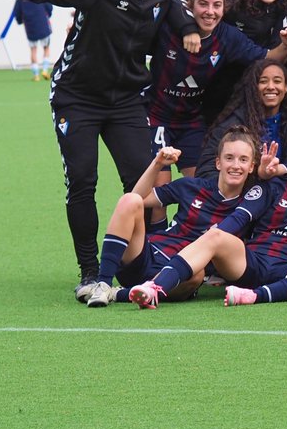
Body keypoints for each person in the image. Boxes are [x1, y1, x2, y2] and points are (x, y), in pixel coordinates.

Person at [0, 0, 199, 298]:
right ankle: (90, 271)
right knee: (82, 180)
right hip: (76, 98)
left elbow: (181, 7)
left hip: (126, 102)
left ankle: (137, 264)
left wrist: (189, 27)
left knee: (140, 182)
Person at [134, 125, 287, 308]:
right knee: (216, 235)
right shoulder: (271, 187)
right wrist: (212, 248)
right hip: (252, 263)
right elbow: (239, 218)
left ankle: (254, 296)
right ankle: (155, 287)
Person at [145, 0, 287, 208]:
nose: (210, 12)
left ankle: (192, 228)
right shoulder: (170, 24)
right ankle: (158, 232)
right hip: (156, 116)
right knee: (159, 192)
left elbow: (267, 58)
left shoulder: (227, 36)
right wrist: (187, 29)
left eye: (217, 5)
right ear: (189, 5)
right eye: (203, 4)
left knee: (206, 185)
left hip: (190, 121)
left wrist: (286, 45)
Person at [85, 128, 266, 307]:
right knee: (129, 200)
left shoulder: (251, 204)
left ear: (251, 167)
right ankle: (103, 284)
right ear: (218, 163)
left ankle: (120, 294)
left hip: (182, 275)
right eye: (229, 158)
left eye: (243, 159)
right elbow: (138, 198)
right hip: (145, 256)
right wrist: (157, 164)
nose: (235, 165)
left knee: (197, 275)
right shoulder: (192, 186)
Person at [200, 0, 287, 124]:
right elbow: (193, 2)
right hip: (219, 90)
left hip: (258, 90)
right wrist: (189, 30)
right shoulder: (231, 3)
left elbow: (269, 58)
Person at [197, 59, 287, 179]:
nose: (271, 87)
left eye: (277, 81)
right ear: (253, 87)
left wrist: (280, 169)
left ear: (286, 87)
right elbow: (205, 171)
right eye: (263, 81)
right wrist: (254, 174)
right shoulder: (233, 124)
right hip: (244, 188)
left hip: (285, 187)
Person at [12, 0, 54, 81]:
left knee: (33, 50)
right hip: (43, 24)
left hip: (30, 26)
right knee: (46, 47)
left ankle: (36, 75)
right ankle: (45, 70)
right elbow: (49, 6)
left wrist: (20, 21)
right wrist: (48, 14)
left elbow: (17, 12)